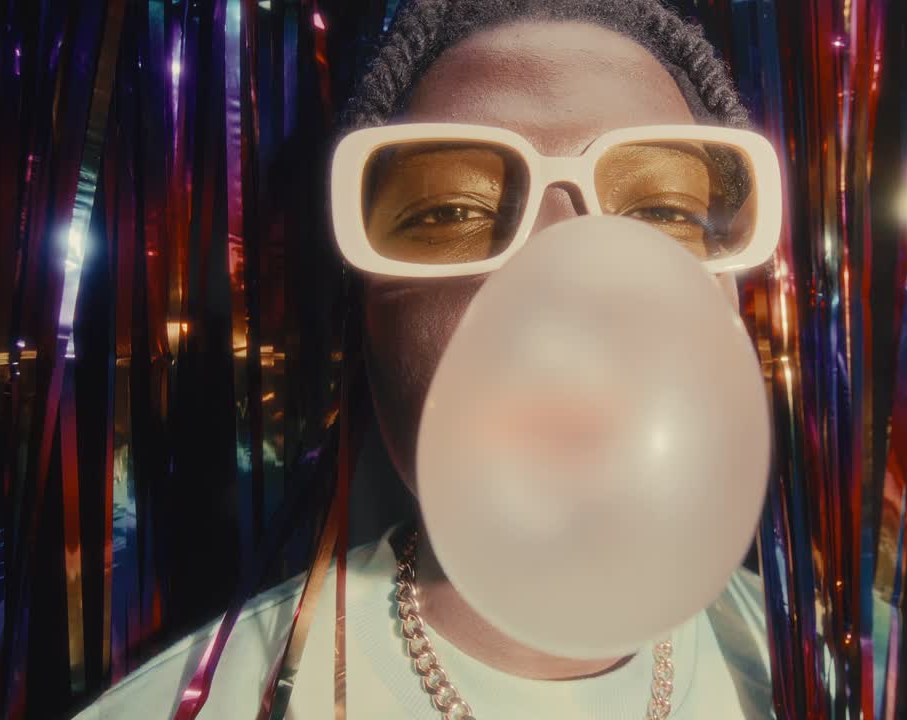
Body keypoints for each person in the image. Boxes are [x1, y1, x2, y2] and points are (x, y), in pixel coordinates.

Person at [75, 1, 775, 717]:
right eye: (451, 212)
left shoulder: (838, 667)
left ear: (731, 295)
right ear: (364, 313)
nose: (567, 279)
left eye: (661, 212)